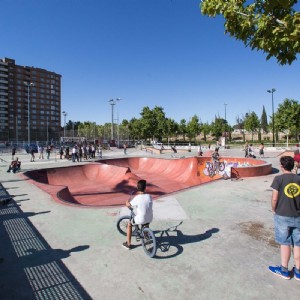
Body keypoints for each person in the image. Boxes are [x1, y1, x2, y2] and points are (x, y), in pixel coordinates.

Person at [269, 156, 300, 281]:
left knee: (285, 243)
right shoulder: (299, 179)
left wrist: (273, 208)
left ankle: (284, 270)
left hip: (282, 215)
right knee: (298, 243)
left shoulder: (278, 179)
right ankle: (298, 271)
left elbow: (274, 198)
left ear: (282, 166)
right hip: (297, 216)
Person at [122, 180, 153, 250]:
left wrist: (127, 202)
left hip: (141, 219)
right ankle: (146, 236)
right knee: (145, 221)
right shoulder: (149, 196)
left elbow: (129, 205)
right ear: (145, 187)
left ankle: (128, 244)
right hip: (150, 218)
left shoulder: (137, 198)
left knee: (129, 224)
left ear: (137, 188)